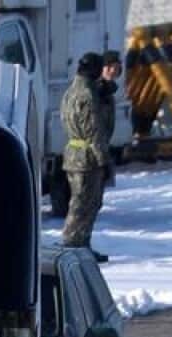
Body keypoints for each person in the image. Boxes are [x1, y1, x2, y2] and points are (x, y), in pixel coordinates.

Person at [60, 52, 109, 263]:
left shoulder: (71, 91)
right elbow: (94, 131)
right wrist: (103, 160)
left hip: (73, 154)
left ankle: (79, 246)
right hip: (87, 158)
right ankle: (73, 247)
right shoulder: (88, 95)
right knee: (84, 205)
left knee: (81, 202)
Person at [98, 50, 123, 189]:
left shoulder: (108, 90)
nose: (113, 71)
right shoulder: (96, 90)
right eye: (109, 67)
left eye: (116, 68)